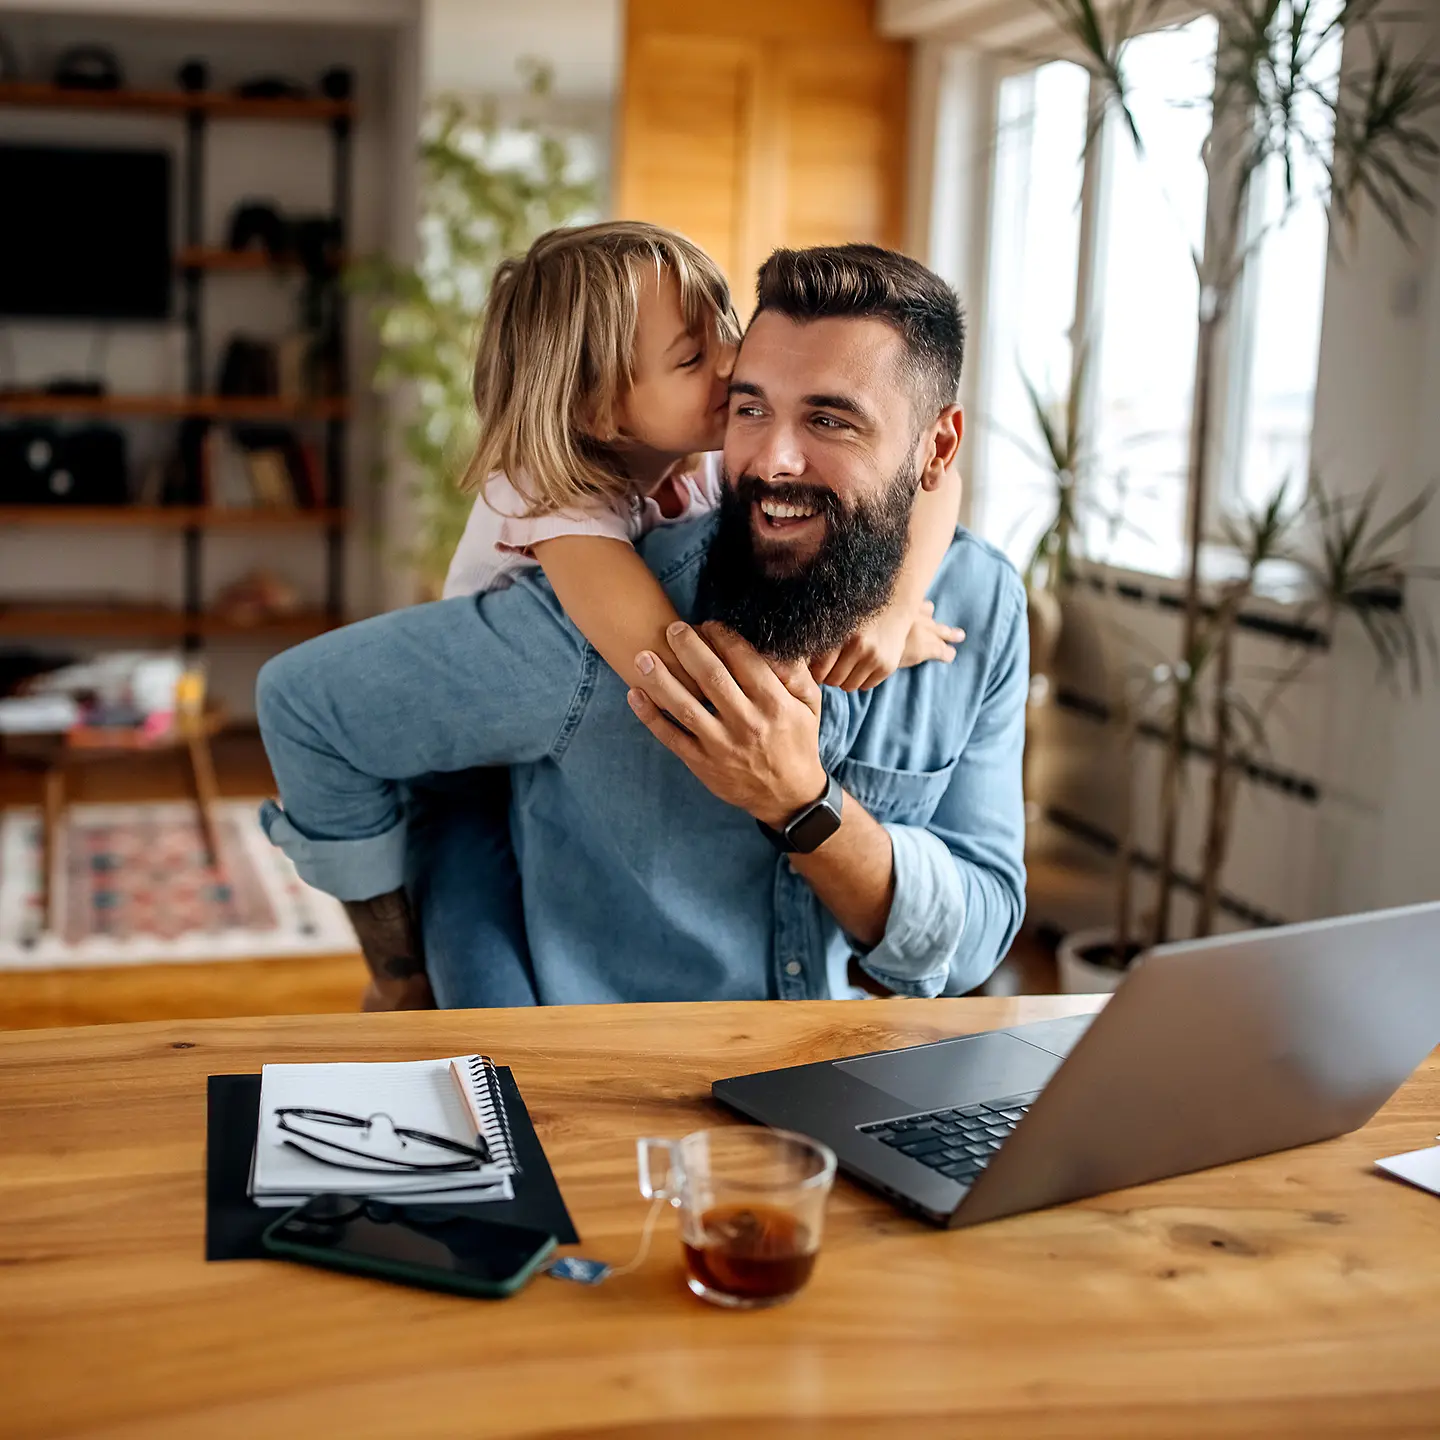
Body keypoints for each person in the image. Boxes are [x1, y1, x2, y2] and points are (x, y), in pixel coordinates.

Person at [257, 242, 1028, 1010]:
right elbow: (307, 705)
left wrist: (890, 614)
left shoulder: (978, 604)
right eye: (750, 405)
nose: (770, 457)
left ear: (936, 442)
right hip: (579, 1028)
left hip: (837, 1079)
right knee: (475, 982)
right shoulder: (585, 567)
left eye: (829, 419)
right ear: (600, 407)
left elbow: (976, 939)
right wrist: (398, 974)